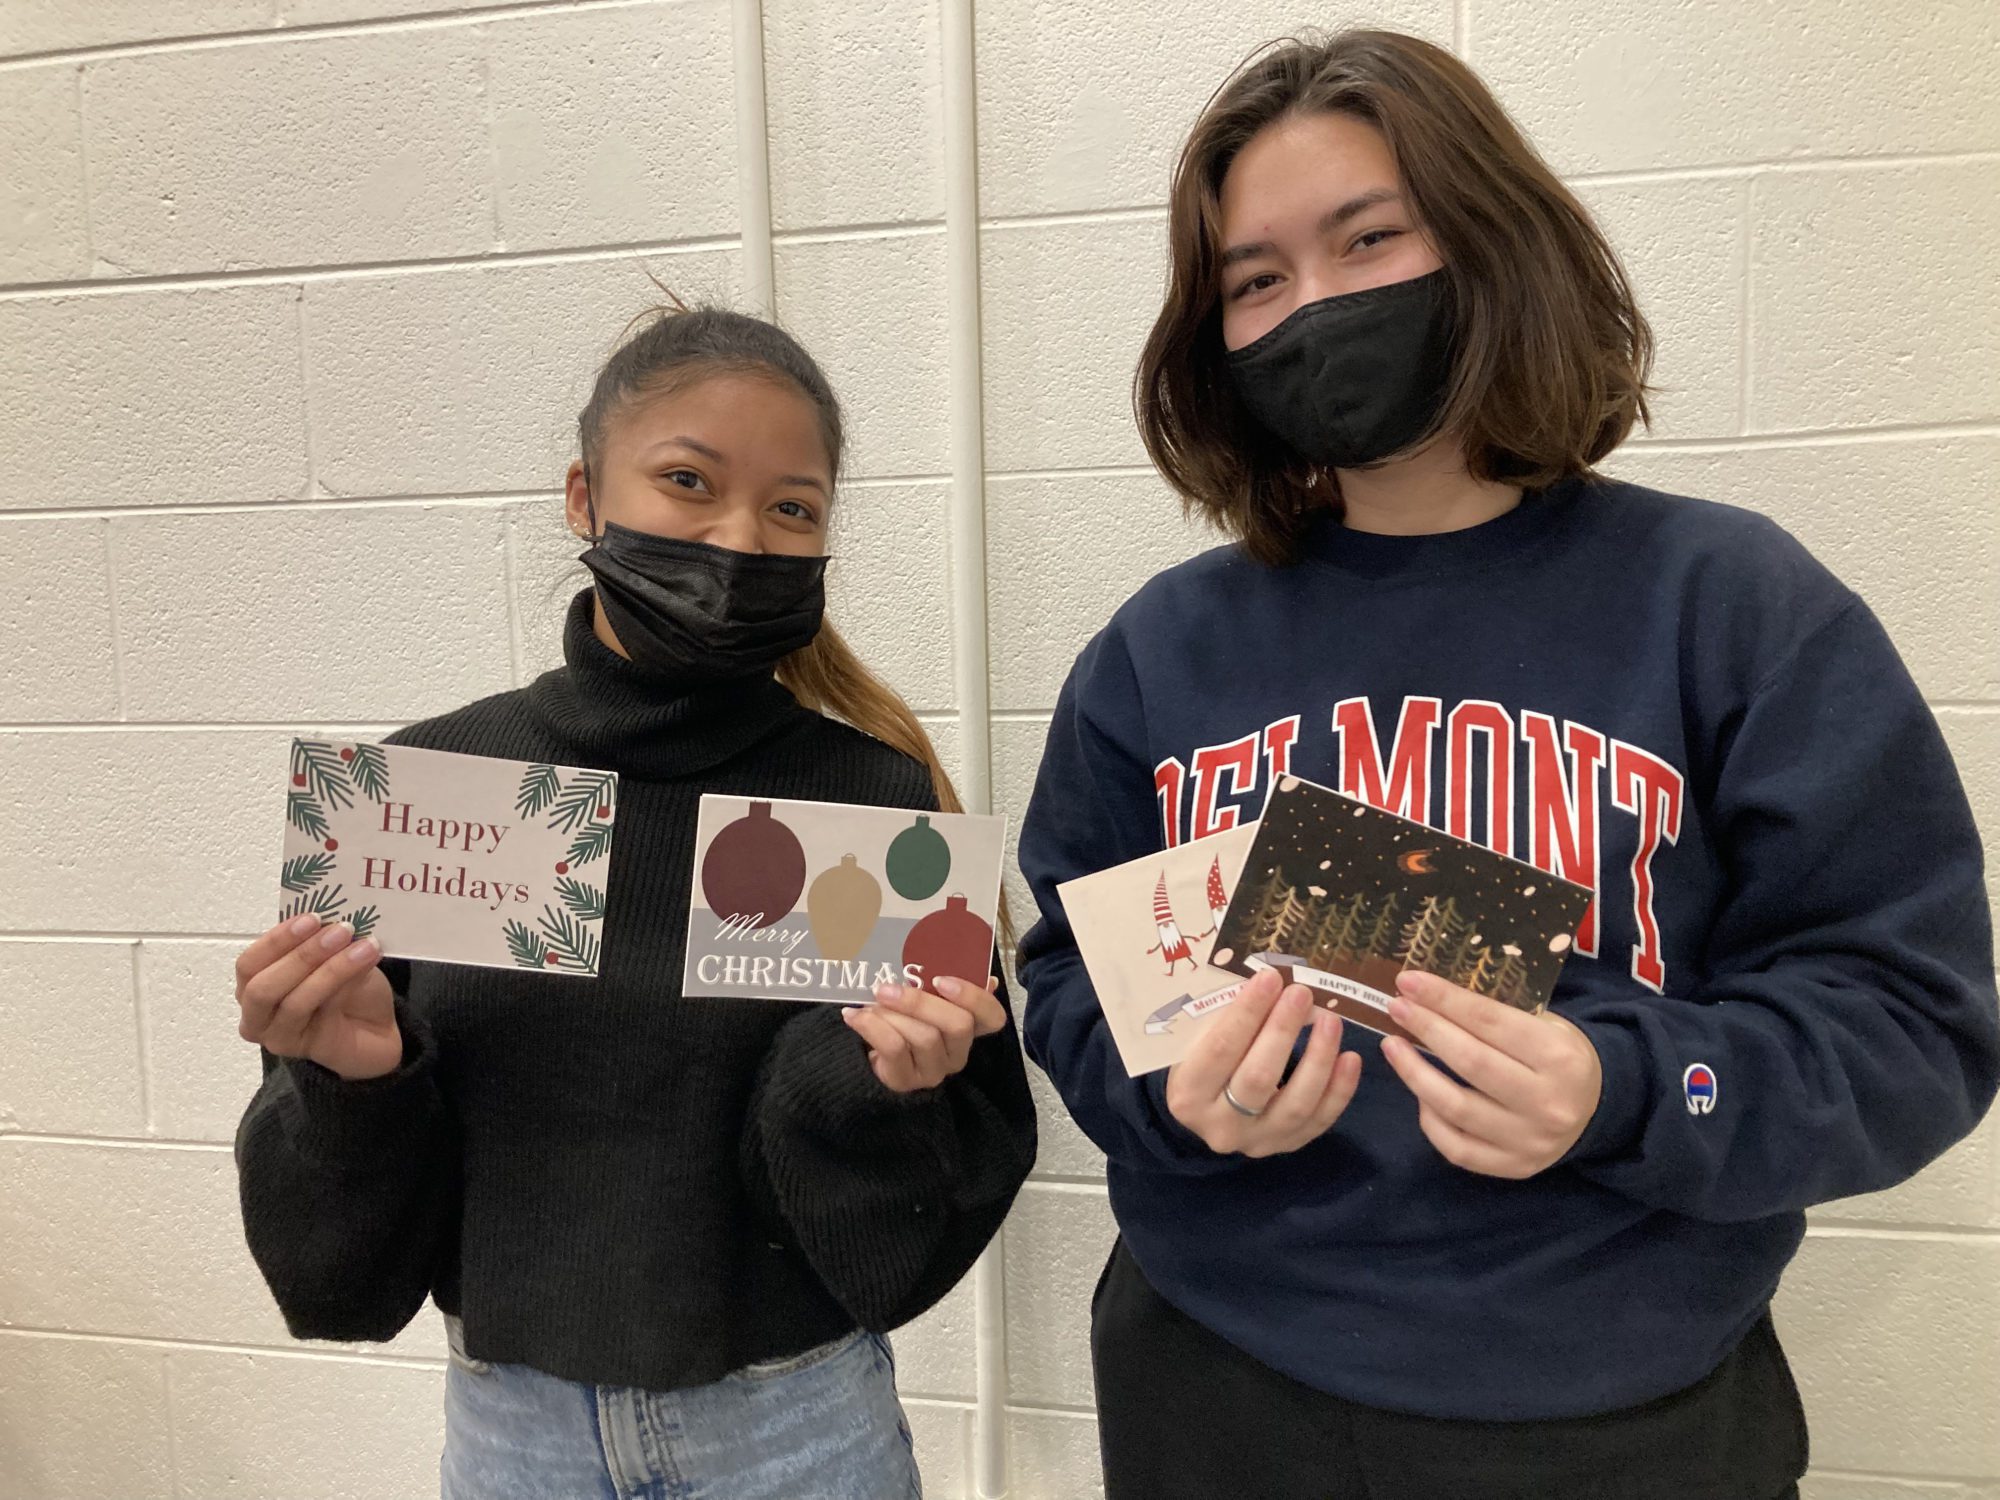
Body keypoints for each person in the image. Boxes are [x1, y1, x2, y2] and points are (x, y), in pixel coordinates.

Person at [1016, 29, 1998, 1500]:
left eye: (1369, 238)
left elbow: (1914, 1020)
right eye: (1258, 280)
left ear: (1488, 241)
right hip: (1216, 1383)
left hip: (1624, 1415)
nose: (1316, 305)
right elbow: (1075, 986)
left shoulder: (1733, 607)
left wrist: (1627, 1087)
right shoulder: (1160, 655)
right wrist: (1177, 1102)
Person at [235, 303, 1037, 1500]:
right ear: (582, 498)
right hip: (514, 1436)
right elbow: (332, 1274)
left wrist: (872, 1085)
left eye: (792, 507)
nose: (737, 538)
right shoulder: (427, 795)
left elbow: (918, 1231)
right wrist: (354, 1081)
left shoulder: (873, 805)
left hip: (798, 1427)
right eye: (685, 480)